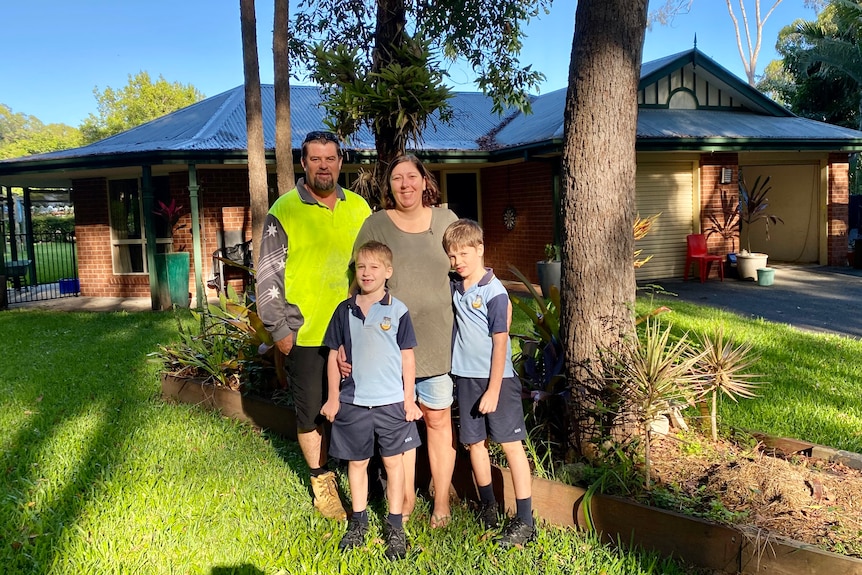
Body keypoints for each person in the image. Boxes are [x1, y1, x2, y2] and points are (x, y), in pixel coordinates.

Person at [257, 130, 371, 520]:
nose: (324, 165)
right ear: (304, 164)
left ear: (341, 162)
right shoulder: (284, 210)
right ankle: (321, 479)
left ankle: (353, 468)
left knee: (354, 406)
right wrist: (280, 330)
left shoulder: (359, 208)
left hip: (356, 331)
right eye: (316, 159)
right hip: (305, 334)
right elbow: (268, 276)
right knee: (310, 413)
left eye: (331, 158)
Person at [347, 154, 458, 528]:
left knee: (438, 420)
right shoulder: (375, 224)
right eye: (397, 178)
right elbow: (358, 282)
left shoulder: (446, 221)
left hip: (438, 343)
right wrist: (348, 342)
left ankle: (441, 501)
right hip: (388, 353)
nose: (405, 184)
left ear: (425, 182)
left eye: (412, 177)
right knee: (401, 430)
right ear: (389, 185)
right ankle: (405, 501)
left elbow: (466, 269)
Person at [321, 241, 422, 560]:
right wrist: (333, 398)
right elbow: (333, 356)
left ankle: (395, 526)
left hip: (392, 404)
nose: (366, 273)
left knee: (394, 464)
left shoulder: (399, 310)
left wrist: (409, 399)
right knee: (357, 463)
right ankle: (359, 521)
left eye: (374, 267)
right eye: (360, 267)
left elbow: (408, 359)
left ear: (387, 272)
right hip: (353, 403)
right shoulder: (343, 310)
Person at [442, 218, 536, 547]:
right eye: (452, 256)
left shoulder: (495, 294)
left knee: (511, 446)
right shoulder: (455, 284)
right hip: (465, 378)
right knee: (475, 444)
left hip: (498, 381)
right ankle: (488, 508)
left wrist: (494, 389)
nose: (458, 262)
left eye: (464, 254)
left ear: (480, 249)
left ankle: (525, 520)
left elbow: (500, 344)